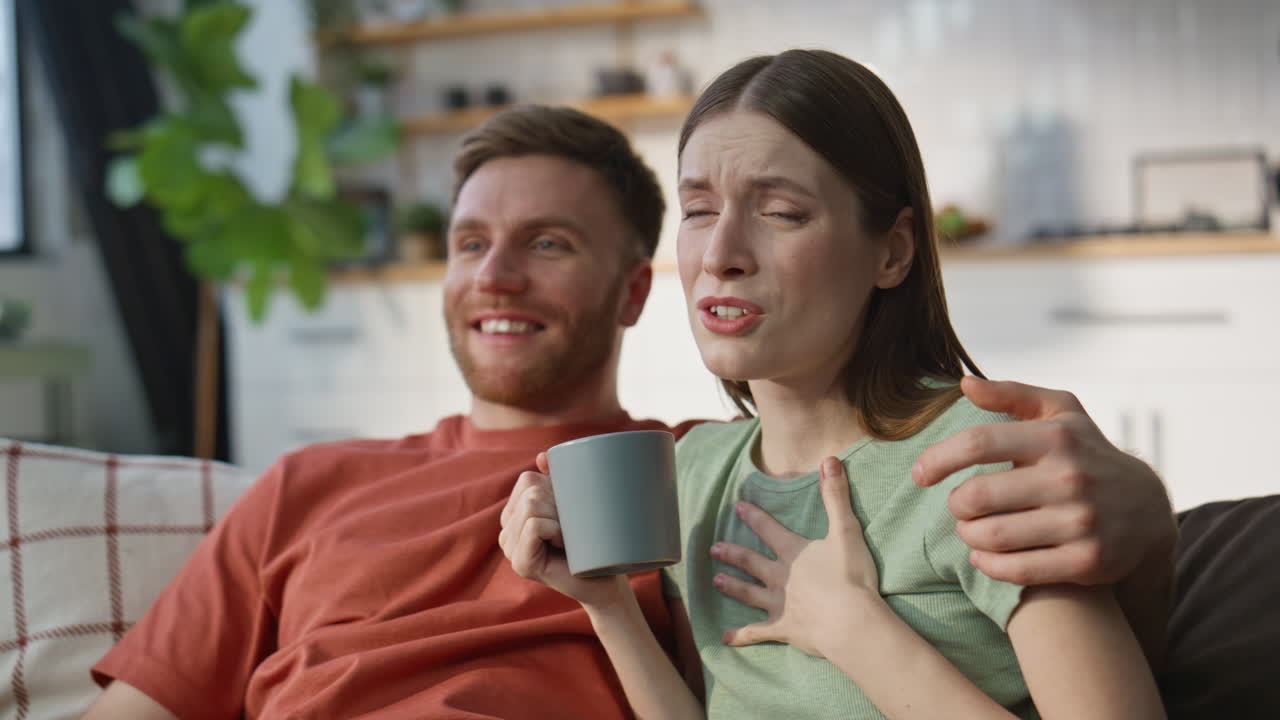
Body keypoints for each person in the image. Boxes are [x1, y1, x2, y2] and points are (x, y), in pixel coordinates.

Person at [84, 103, 1174, 719]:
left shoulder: (691, 475)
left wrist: (1143, 511)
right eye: (470, 244)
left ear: (634, 288)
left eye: (547, 243)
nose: (496, 275)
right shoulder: (303, 488)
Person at [500, 51, 1167, 719]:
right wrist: (608, 604)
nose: (721, 253)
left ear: (893, 251)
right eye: (698, 209)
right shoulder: (694, 477)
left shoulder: (977, 467)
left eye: (782, 212)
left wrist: (855, 632)